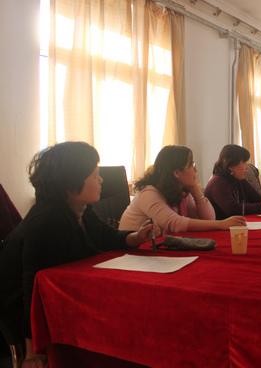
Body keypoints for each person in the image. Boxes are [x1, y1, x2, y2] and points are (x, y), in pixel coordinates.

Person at [0, 142, 157, 368]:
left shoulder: (79, 208)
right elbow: (31, 286)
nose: (101, 180)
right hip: (21, 310)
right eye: (94, 174)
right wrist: (33, 351)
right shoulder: (47, 221)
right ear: (71, 182)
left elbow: (104, 235)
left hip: (63, 297)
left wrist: (134, 237)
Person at [119, 145, 245, 232]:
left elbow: (209, 218)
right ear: (176, 173)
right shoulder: (148, 193)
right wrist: (221, 224)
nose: (195, 170)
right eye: (191, 165)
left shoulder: (182, 190)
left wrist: (196, 191)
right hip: (129, 253)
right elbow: (175, 223)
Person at [204, 145, 261, 219]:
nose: (247, 167)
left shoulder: (238, 179)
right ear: (230, 165)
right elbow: (232, 210)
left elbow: (256, 198)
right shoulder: (218, 182)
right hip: (221, 225)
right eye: (244, 162)